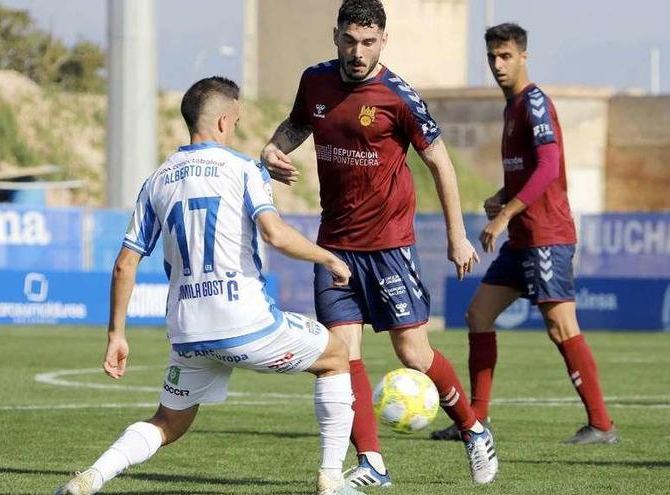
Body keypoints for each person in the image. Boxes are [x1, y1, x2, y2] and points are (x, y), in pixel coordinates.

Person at [54, 77, 364, 495]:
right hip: (246, 323)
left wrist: (116, 335)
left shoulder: (157, 180)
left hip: (189, 332)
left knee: (168, 422)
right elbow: (274, 234)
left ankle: (92, 477)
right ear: (222, 120)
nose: (235, 127)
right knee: (335, 356)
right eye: (235, 120)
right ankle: (332, 480)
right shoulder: (244, 169)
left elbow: (125, 264)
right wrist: (327, 256)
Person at [260, 0, 498, 487]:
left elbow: (441, 163)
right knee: (341, 357)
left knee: (413, 353)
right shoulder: (315, 81)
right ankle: (373, 463)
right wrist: (271, 148)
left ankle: (473, 430)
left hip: (389, 245)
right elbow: (297, 125)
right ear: (336, 37)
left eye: (368, 42)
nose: (357, 51)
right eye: (350, 40)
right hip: (333, 247)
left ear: (383, 41)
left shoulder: (398, 96)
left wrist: (457, 235)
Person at [429, 23, 618, 445]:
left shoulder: (533, 103)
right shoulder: (511, 107)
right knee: (478, 315)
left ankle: (602, 425)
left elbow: (549, 168)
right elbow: (531, 171)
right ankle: (476, 421)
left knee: (561, 327)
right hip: (523, 237)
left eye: (506, 56)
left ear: (523, 57)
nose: (498, 64)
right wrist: (503, 195)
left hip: (547, 235)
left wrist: (503, 216)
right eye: (492, 57)